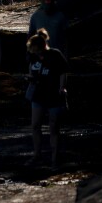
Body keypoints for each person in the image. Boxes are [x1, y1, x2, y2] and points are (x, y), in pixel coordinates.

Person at [25, 29, 69, 170]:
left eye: (37, 51)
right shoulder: (33, 56)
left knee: (54, 127)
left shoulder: (55, 54)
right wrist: (30, 78)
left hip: (54, 95)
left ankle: (55, 158)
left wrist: (62, 87)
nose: (36, 54)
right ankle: (37, 155)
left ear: (43, 46)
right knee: (35, 125)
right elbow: (31, 69)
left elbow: (63, 71)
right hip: (38, 95)